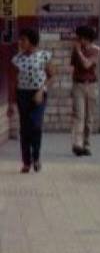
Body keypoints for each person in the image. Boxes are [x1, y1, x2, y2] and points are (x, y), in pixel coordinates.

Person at [12, 28, 55, 173]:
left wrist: (41, 90)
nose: (20, 42)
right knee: (25, 128)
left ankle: (36, 157)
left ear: (31, 41)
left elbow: (52, 76)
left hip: (38, 94)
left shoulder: (43, 56)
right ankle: (26, 161)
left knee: (36, 125)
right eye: (20, 40)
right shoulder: (17, 59)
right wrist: (11, 103)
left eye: (23, 40)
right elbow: (13, 81)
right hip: (22, 94)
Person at [70, 25, 100, 157]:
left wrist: (79, 52)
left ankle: (86, 143)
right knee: (79, 115)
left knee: (89, 117)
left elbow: (87, 65)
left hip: (91, 85)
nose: (78, 40)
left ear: (87, 38)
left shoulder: (97, 50)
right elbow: (73, 66)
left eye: (80, 38)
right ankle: (77, 144)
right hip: (78, 84)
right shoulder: (75, 51)